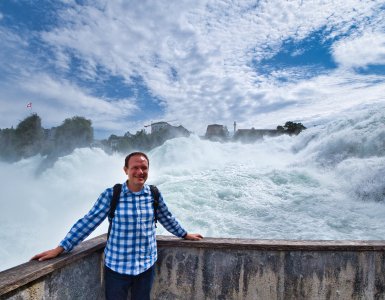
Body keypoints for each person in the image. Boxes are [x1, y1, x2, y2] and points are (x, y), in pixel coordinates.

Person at [31, 151, 203, 300]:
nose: (140, 172)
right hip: (117, 268)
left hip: (146, 266)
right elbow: (88, 222)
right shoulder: (112, 194)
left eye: (144, 168)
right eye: (135, 167)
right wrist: (61, 248)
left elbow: (166, 218)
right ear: (126, 170)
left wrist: (184, 234)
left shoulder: (154, 194)